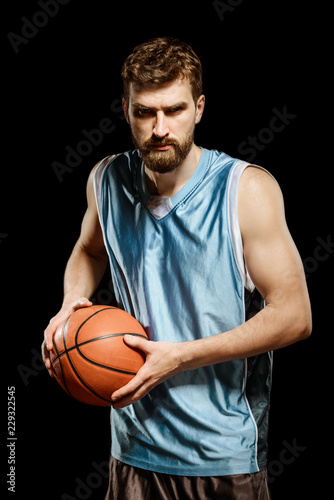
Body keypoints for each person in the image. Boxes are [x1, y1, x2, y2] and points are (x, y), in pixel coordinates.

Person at [42, 37, 312, 499]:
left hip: (220, 458)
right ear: (125, 110)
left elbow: (295, 316)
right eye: (145, 112)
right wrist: (72, 304)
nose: (159, 128)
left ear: (200, 108)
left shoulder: (245, 191)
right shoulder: (105, 180)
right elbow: (88, 250)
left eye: (174, 110)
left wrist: (180, 356)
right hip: (131, 452)